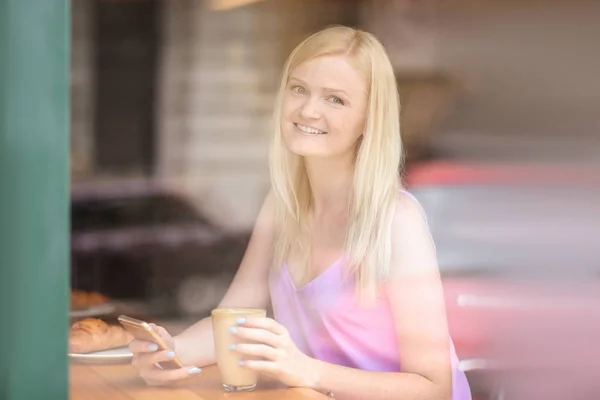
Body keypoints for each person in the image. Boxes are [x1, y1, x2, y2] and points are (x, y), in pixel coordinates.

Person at [129, 25, 472, 400]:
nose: (309, 109)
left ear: (369, 120)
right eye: (299, 89)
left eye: (335, 100)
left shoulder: (396, 221)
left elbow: (433, 388)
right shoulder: (282, 206)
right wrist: (170, 353)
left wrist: (306, 370)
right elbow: (233, 323)